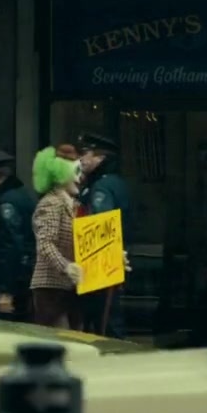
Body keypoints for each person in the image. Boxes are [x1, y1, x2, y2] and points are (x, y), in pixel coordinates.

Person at [75, 133, 131, 338]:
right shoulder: (114, 182)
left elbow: (100, 226)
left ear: (100, 157)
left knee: (105, 324)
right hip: (110, 262)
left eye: (85, 153)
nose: (81, 159)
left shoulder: (102, 186)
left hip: (101, 265)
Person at [0, 146, 37, 321]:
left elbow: (11, 247)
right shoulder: (20, 194)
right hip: (22, 276)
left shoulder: (7, 202)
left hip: (12, 280)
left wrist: (6, 290)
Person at [29, 144, 84, 329]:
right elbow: (45, 244)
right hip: (50, 289)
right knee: (61, 339)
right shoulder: (51, 203)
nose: (79, 178)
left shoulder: (75, 205)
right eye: (75, 171)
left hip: (71, 288)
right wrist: (66, 266)